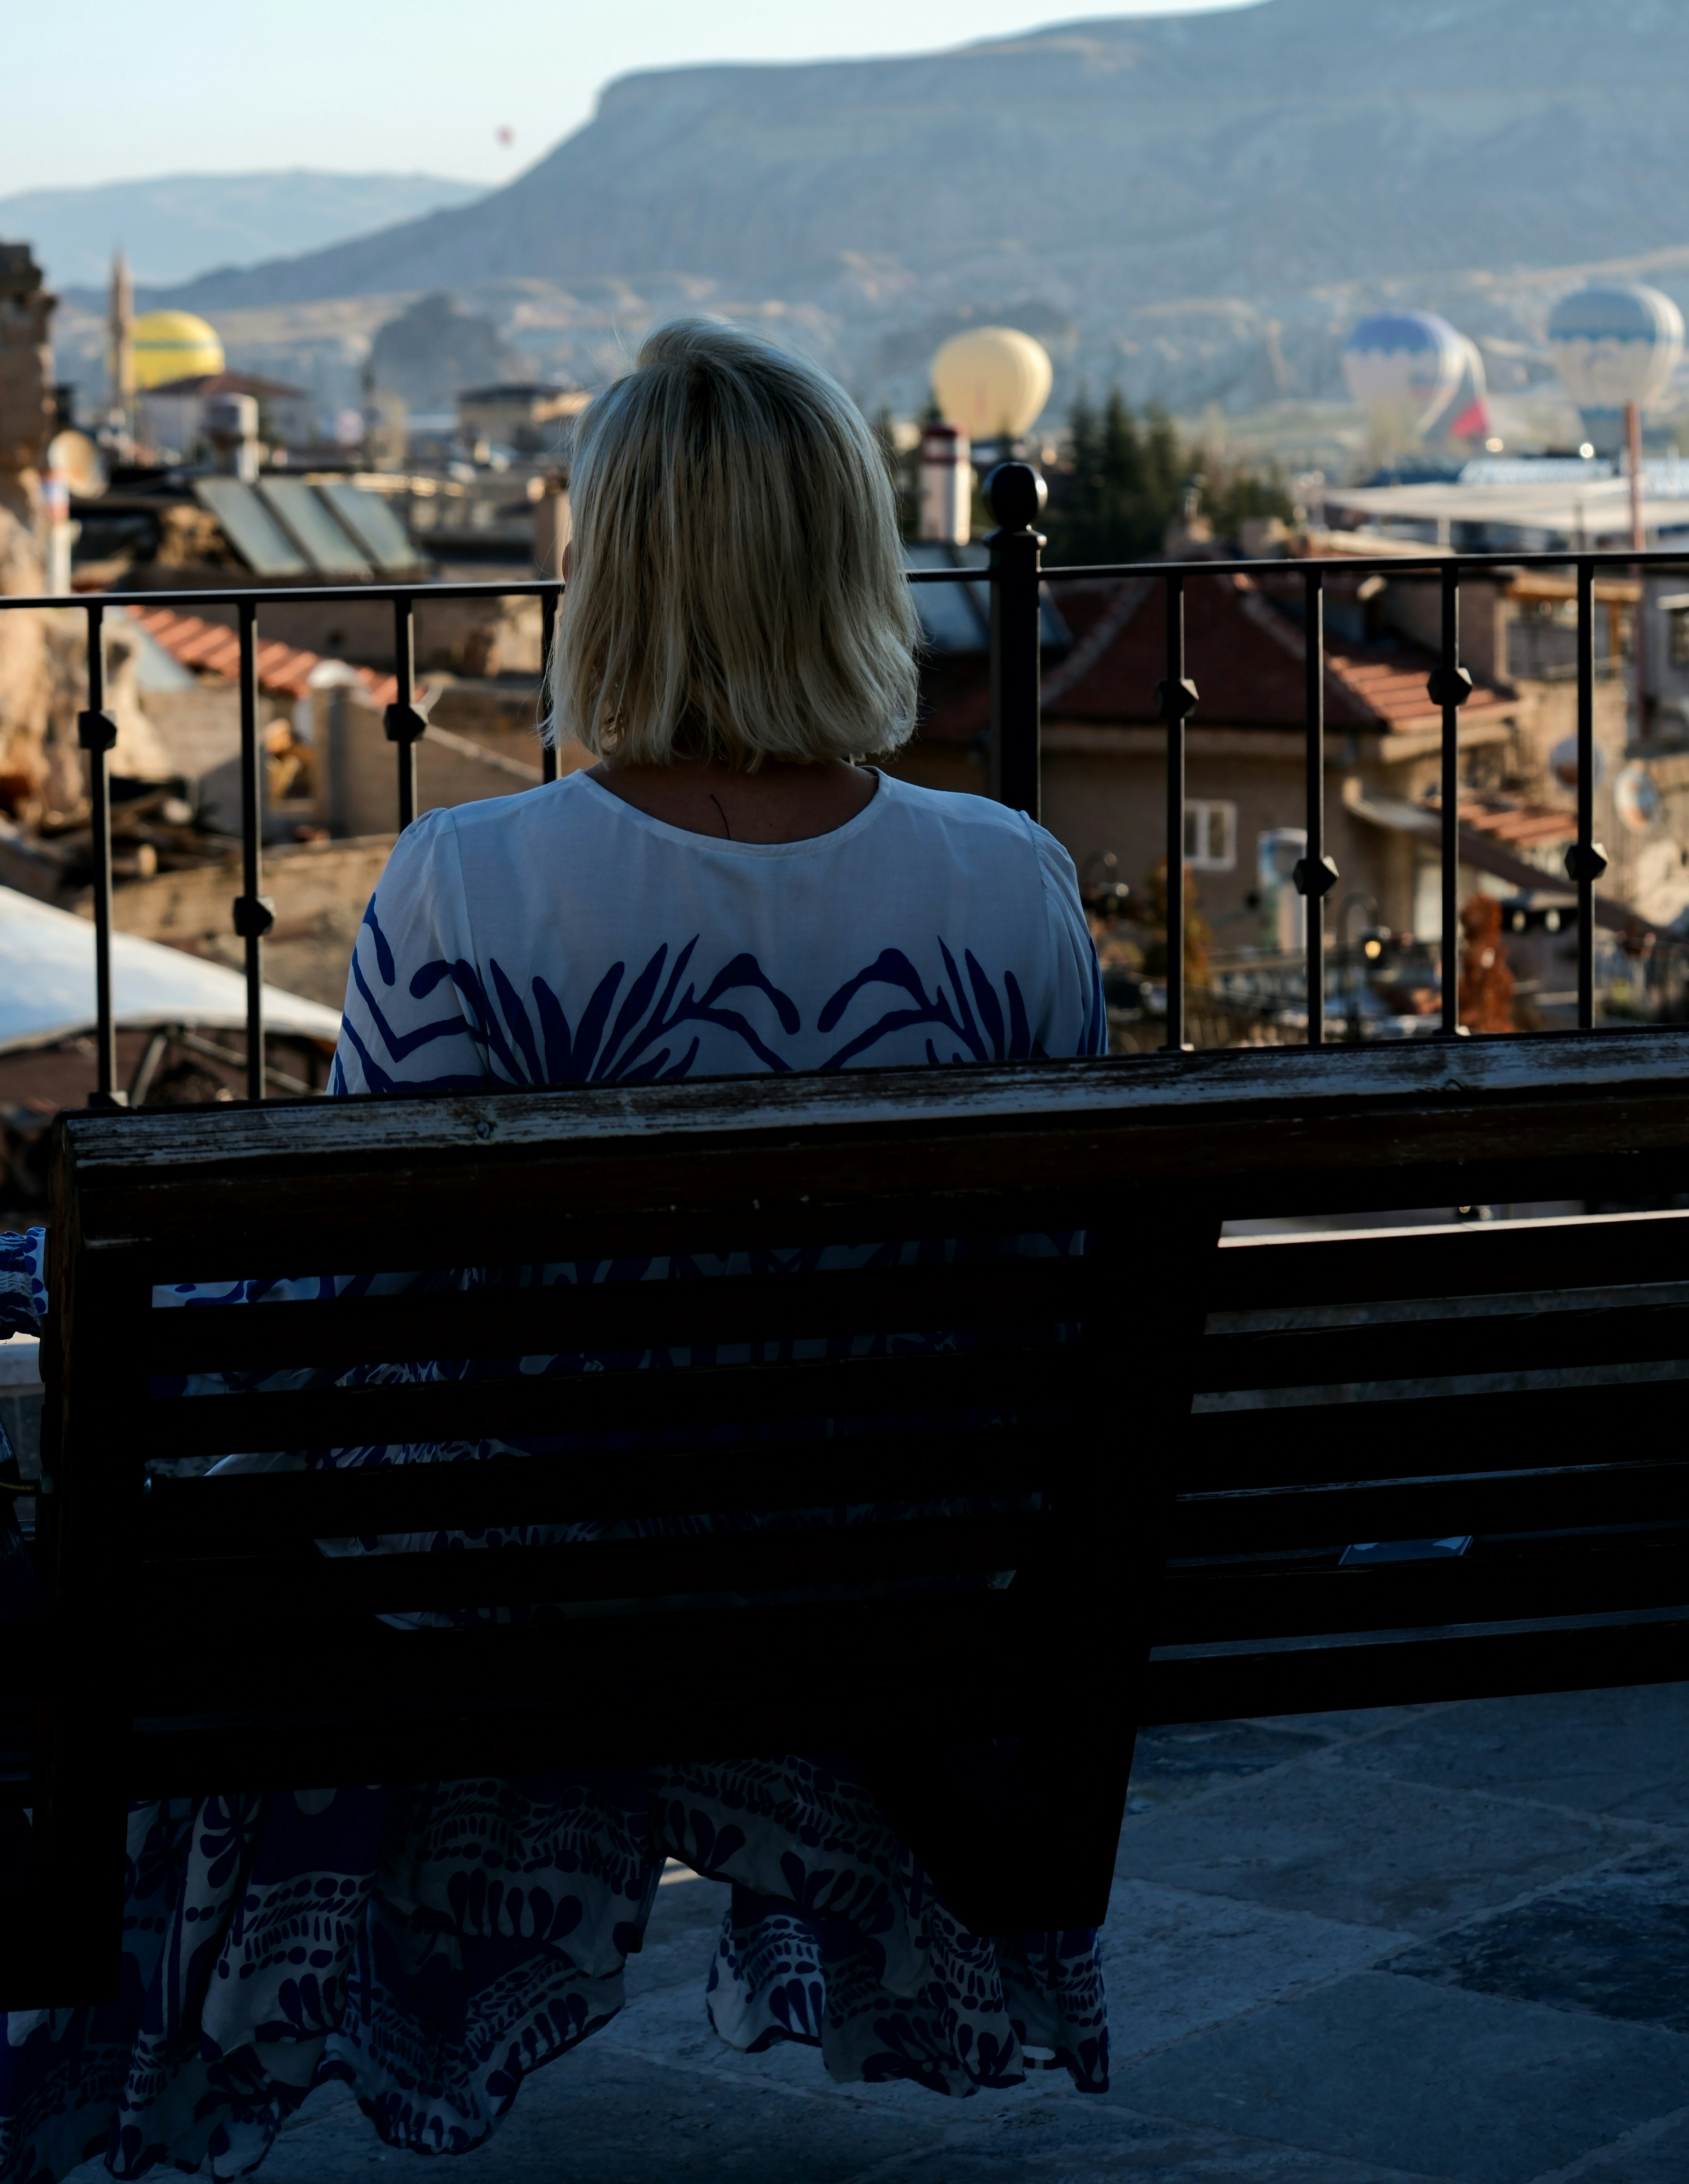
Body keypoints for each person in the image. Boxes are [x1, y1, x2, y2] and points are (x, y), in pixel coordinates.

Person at [1, 324, 1109, 2184]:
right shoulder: (1010, 882)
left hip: (536, 1579)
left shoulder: (471, 883)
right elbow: (1062, 1277)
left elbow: (362, 1297)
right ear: (850, 564)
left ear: (618, 576)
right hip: (911, 1552)